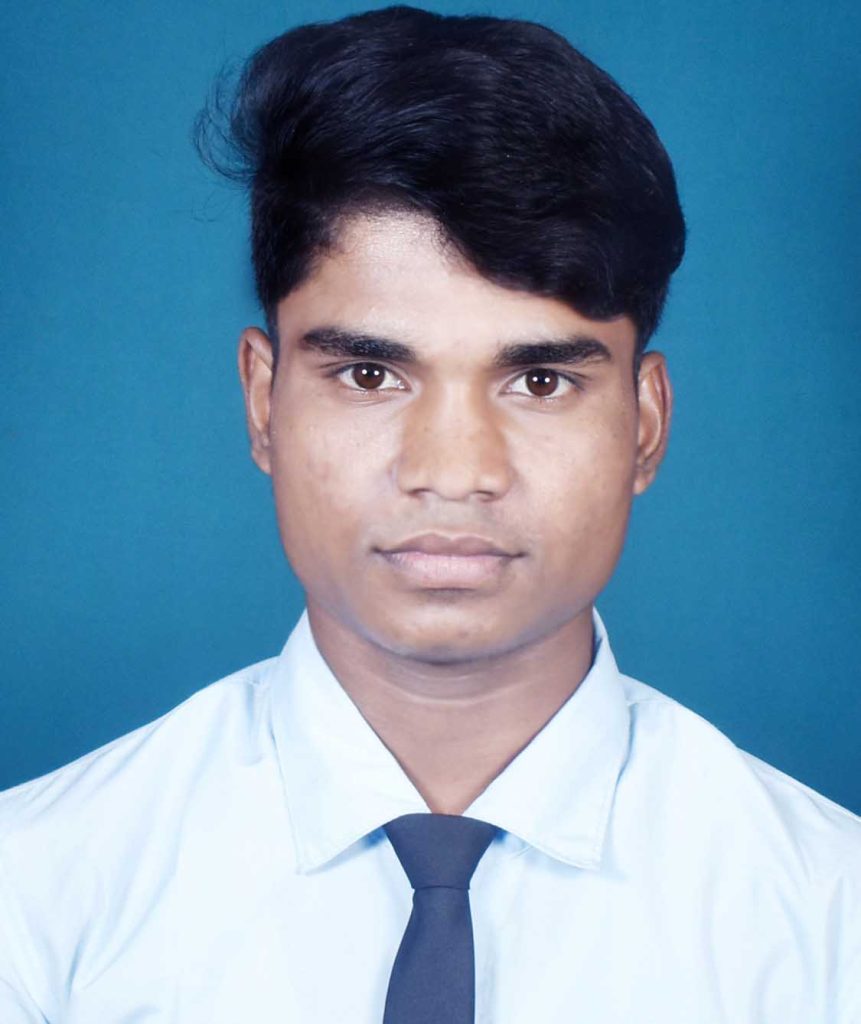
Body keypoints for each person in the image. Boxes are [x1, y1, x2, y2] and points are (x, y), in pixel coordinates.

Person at [0, 5, 858, 1022]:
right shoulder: (37, 898)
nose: (454, 471)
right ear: (263, 402)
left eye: (539, 381)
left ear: (646, 423)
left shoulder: (828, 923)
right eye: (370, 374)